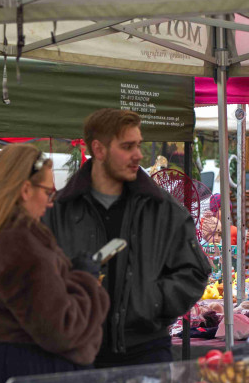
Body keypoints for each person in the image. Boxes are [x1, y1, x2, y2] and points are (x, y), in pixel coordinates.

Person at [44, 109, 210, 368]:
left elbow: (195, 270)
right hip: (75, 356)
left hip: (146, 353)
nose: (138, 155)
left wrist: (152, 302)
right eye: (127, 146)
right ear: (98, 149)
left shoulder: (161, 208)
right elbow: (38, 277)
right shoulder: (60, 211)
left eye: (138, 145)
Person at [0, 145, 107, 383]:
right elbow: (59, 327)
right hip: (20, 380)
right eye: (47, 191)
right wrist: (85, 281)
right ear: (25, 190)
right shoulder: (18, 241)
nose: (50, 200)